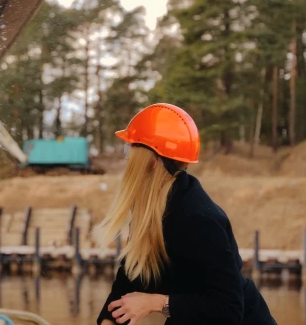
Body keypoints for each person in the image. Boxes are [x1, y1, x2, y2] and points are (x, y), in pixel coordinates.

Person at [96, 103, 276, 325]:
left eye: (129, 149)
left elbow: (228, 308)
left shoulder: (199, 220)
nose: (126, 158)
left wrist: (156, 303)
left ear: (151, 161)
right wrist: (108, 321)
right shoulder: (149, 213)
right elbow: (130, 278)